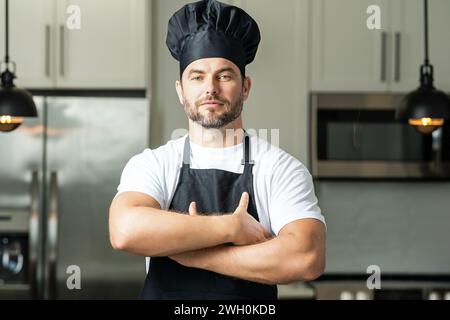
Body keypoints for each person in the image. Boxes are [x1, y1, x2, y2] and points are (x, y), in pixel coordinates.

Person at [109, 0, 326, 300]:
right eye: (197, 77)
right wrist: (231, 228)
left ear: (245, 87)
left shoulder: (279, 168)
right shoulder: (155, 164)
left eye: (224, 75)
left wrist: (198, 256)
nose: (210, 88)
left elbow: (306, 256)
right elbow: (124, 230)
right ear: (180, 90)